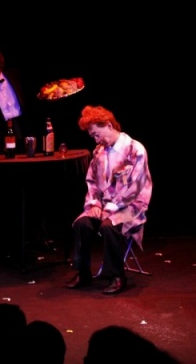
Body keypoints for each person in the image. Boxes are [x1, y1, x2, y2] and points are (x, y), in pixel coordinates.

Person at [66, 105, 153, 295]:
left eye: (97, 134)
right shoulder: (99, 152)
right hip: (105, 205)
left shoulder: (135, 150)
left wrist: (112, 208)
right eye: (93, 136)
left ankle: (117, 276)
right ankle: (83, 272)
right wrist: (94, 204)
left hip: (131, 206)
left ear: (108, 125)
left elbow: (136, 187)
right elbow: (92, 183)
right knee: (82, 224)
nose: (96, 140)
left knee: (109, 226)